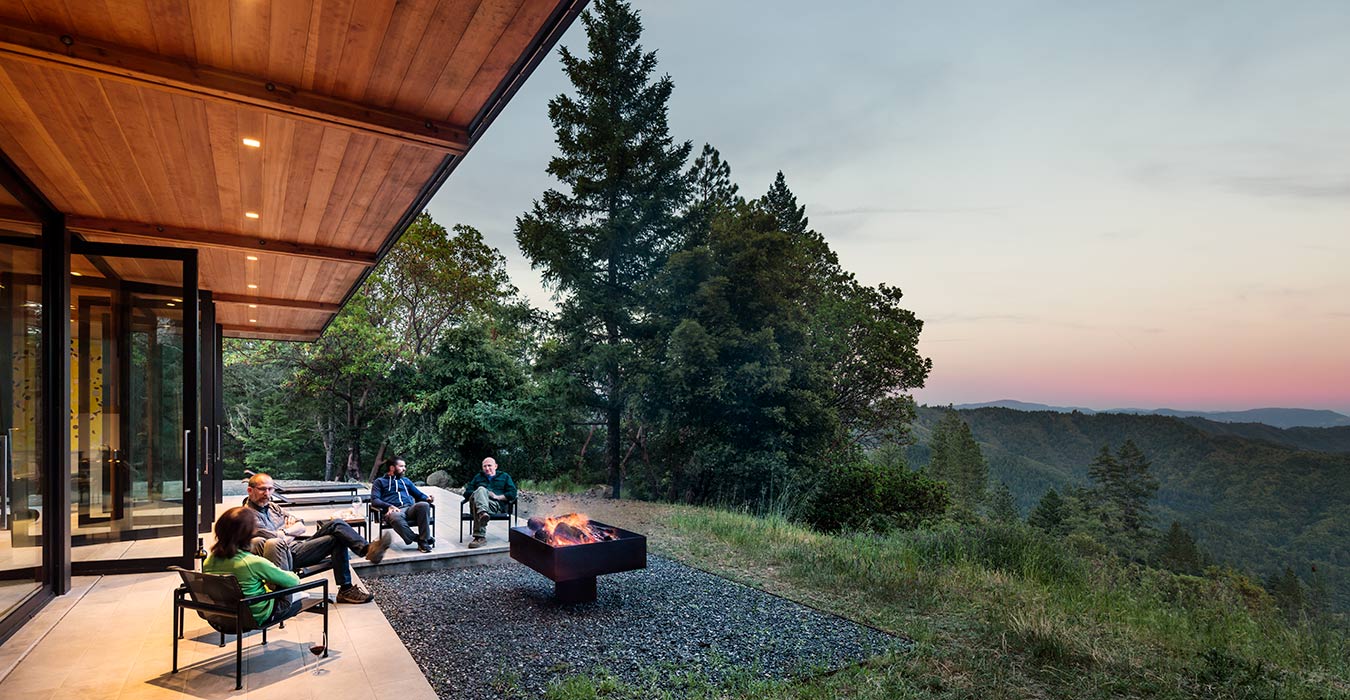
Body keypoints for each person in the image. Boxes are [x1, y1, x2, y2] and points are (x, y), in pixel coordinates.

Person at [243, 472, 391, 604]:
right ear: (250, 490)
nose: (267, 493)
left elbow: (301, 525)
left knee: (336, 525)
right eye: (263, 489)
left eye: (270, 489)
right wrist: (289, 531)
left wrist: (288, 531)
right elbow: (277, 541)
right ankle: (346, 588)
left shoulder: (273, 507)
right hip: (285, 556)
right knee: (338, 538)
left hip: (297, 546)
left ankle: (366, 549)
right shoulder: (247, 516)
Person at [203, 506, 304, 627]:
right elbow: (293, 582)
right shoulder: (253, 563)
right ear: (248, 534)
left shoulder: (209, 561)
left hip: (224, 615)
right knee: (286, 584)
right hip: (257, 616)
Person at [371, 456, 436, 552]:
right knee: (395, 516)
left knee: (424, 505)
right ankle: (422, 540)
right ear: (392, 468)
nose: (404, 469)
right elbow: (375, 500)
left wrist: (428, 498)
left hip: (409, 509)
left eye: (404, 466)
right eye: (401, 466)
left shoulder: (406, 481)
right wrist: (389, 506)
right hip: (393, 511)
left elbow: (419, 494)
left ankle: (422, 540)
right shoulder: (380, 482)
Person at [461, 457, 517, 548]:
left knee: (480, 493)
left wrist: (497, 497)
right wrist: (479, 493)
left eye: (489, 466)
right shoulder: (478, 477)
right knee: (481, 490)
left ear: (496, 466)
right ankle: (482, 513)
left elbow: (513, 493)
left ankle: (479, 537)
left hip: (494, 505)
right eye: (484, 466)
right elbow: (466, 493)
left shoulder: (505, 477)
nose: (487, 468)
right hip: (477, 504)